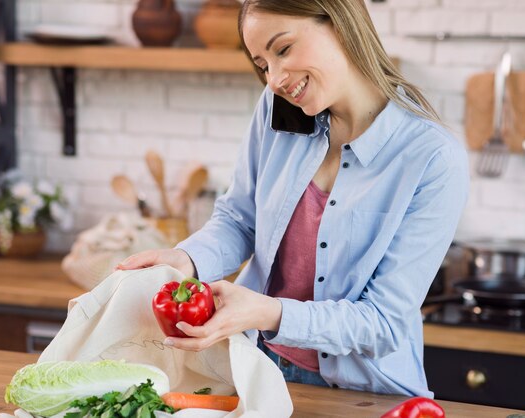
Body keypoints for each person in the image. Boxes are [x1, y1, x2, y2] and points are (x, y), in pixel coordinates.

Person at [117, 0, 469, 397]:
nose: (274, 79)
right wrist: (188, 258)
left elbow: (383, 323)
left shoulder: (432, 159)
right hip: (256, 368)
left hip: (360, 394)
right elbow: (239, 220)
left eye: (282, 49)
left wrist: (269, 312)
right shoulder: (278, 109)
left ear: (339, 21)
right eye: (263, 63)